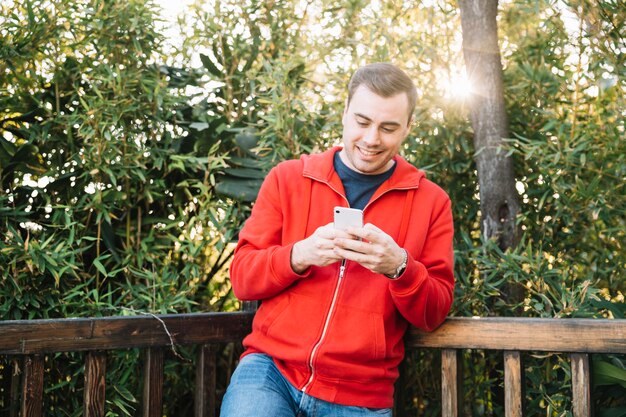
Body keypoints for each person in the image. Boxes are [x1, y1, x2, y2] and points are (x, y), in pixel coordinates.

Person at [220, 62, 455, 417]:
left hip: (361, 393)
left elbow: (434, 311)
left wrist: (400, 268)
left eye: (388, 127)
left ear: (408, 128)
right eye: (362, 122)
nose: (372, 139)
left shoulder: (432, 201)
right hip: (271, 370)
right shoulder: (288, 179)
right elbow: (242, 277)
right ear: (344, 114)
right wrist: (300, 255)